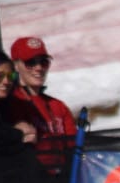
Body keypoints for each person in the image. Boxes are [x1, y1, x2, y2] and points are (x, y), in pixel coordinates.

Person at [6, 35, 77, 170]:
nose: (38, 68)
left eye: (43, 62)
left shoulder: (58, 106)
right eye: (31, 62)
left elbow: (75, 148)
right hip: (27, 182)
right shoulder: (10, 103)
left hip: (60, 181)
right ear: (15, 65)